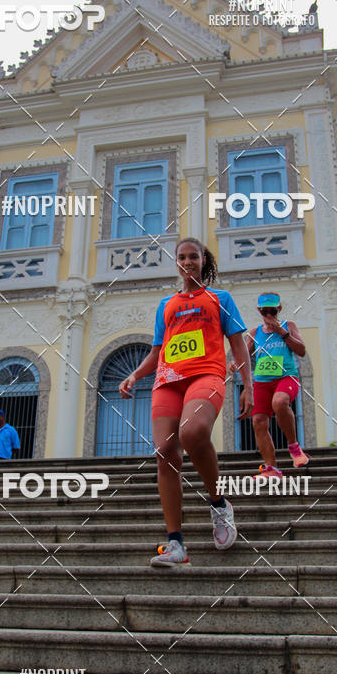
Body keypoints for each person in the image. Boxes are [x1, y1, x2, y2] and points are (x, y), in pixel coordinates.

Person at [118, 237, 254, 567]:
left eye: (194, 256)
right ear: (176, 262)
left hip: (206, 375)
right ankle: (176, 544)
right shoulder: (166, 305)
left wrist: (246, 386)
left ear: (203, 261)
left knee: (192, 432)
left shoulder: (220, 298)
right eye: (182, 256)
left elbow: (237, 346)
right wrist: (135, 375)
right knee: (165, 451)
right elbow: (156, 352)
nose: (188, 261)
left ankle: (219, 504)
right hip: (168, 381)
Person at [234, 292, 309, 478]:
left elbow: (301, 351)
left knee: (280, 402)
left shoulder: (288, 326)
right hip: (262, 381)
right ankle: (271, 468)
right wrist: (234, 364)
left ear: (279, 309)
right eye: (265, 311)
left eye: (272, 311)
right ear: (259, 311)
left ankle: (294, 447)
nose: (269, 315)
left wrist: (283, 333)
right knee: (258, 421)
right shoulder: (254, 333)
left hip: (286, 377)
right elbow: (243, 356)